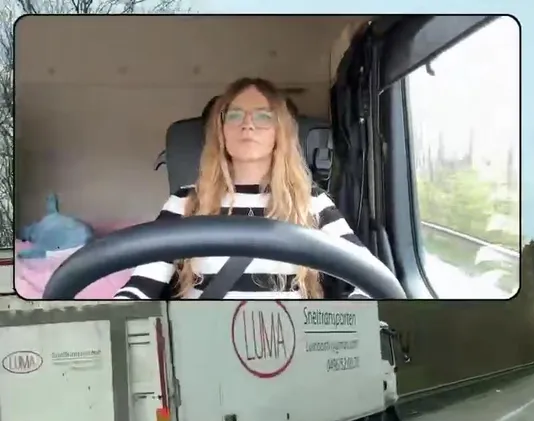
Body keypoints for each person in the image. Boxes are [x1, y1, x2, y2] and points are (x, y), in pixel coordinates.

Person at [114, 77, 375, 300]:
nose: (247, 124)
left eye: (263, 116)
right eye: (235, 115)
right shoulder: (185, 201)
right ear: (221, 130)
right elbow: (140, 287)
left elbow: (369, 277)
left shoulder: (310, 201)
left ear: (279, 132)